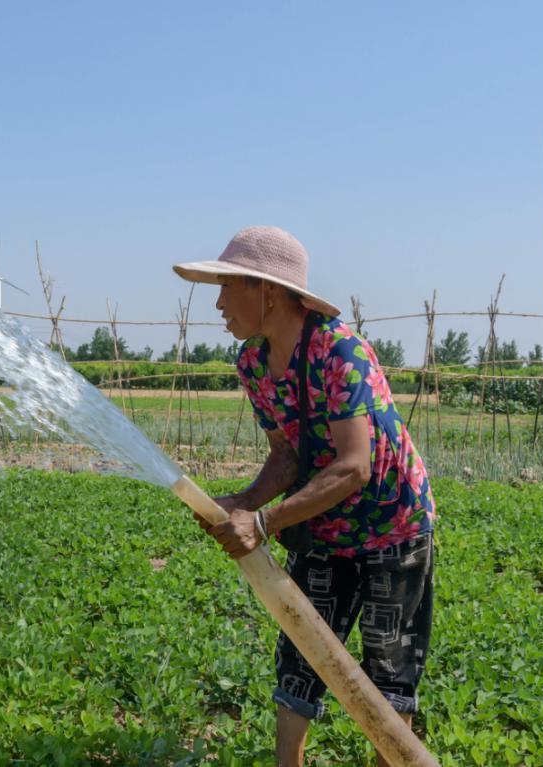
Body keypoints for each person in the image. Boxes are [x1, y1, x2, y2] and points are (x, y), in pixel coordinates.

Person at [173, 226, 436, 767]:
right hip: (321, 527)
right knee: (300, 656)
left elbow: (354, 467)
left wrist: (263, 523)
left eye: (227, 287)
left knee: (388, 667)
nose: (219, 304)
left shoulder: (339, 351)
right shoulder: (253, 362)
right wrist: (244, 502)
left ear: (268, 291)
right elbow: (287, 457)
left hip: (392, 527)